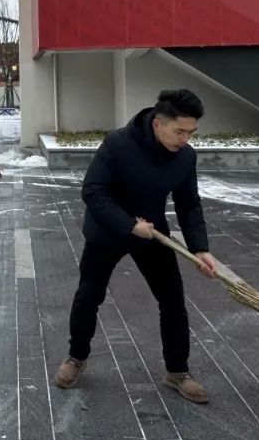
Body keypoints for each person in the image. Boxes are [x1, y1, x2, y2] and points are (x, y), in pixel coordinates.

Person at [54, 89, 219, 405]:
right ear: (158, 124)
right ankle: (76, 358)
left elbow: (188, 205)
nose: (185, 138)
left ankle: (177, 371)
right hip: (107, 231)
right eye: (179, 131)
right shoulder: (119, 143)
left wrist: (199, 248)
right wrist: (129, 225)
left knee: (172, 300)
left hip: (153, 234)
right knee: (89, 295)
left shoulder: (185, 157)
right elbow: (93, 191)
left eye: (191, 132)